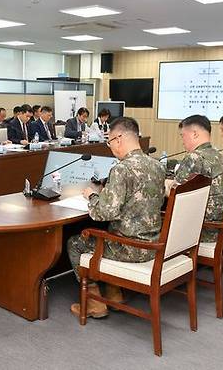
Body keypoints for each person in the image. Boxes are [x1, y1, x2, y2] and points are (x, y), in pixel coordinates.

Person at [67, 117, 164, 319]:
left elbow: (103, 214)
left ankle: (95, 303)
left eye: (109, 142)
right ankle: (114, 295)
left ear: (118, 139)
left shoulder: (122, 169)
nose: (110, 147)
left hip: (129, 248)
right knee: (110, 234)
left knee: (75, 243)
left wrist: (92, 196)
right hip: (153, 245)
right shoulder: (156, 165)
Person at [168, 115, 223, 243]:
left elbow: (176, 197)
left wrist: (164, 185)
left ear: (194, 134)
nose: (182, 141)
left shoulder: (194, 158)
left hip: (201, 230)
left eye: (182, 135)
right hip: (221, 226)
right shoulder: (218, 155)